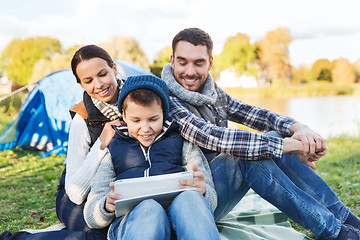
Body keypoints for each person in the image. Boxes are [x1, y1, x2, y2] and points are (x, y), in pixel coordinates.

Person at [160, 27, 360, 240]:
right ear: (172, 61)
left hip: (217, 191)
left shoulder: (211, 92)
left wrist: (298, 129)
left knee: (272, 138)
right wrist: (290, 146)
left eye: (198, 63)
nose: (189, 71)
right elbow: (212, 136)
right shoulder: (165, 99)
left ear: (210, 63)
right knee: (245, 155)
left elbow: (255, 114)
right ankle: (336, 233)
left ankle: (345, 219)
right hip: (190, 204)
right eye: (183, 62)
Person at [0, 45, 122, 240]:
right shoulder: (82, 119)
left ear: (114, 69)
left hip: (113, 193)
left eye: (103, 74)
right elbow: (75, 192)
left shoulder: (138, 100)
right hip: (75, 199)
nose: (98, 84)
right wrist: (101, 143)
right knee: (103, 236)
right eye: (88, 81)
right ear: (81, 85)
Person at [83, 74, 220, 240]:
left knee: (190, 199)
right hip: (134, 223)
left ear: (164, 114)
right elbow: (91, 216)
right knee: (149, 208)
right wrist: (105, 205)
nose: (145, 128)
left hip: (179, 219)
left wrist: (203, 191)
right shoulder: (112, 149)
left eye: (153, 119)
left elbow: (211, 201)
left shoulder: (182, 142)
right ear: (124, 116)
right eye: (136, 120)